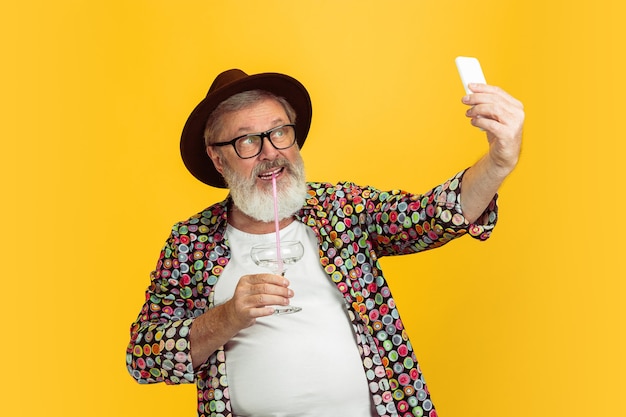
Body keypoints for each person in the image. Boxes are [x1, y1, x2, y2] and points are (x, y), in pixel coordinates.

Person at [126, 68, 524, 417]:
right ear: (218, 159)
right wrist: (228, 316)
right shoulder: (191, 244)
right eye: (248, 141)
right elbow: (144, 357)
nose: (271, 153)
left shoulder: (342, 210)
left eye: (280, 132)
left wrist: (498, 163)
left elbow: (432, 217)